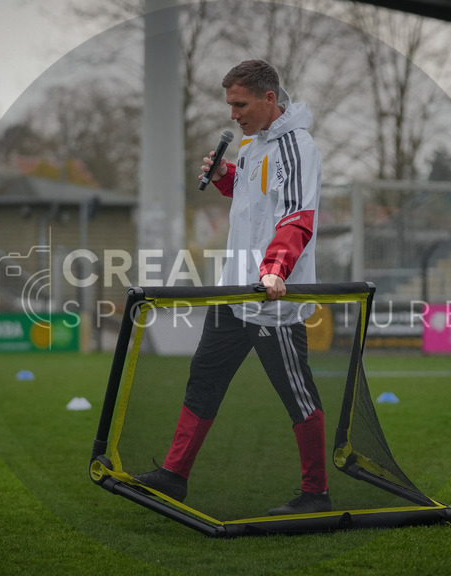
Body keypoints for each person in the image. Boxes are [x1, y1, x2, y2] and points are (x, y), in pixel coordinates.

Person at [134, 60, 330, 516]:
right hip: (235, 290)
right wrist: (227, 178)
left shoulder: (298, 146)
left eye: (239, 104)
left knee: (295, 392)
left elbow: (296, 215)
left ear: (269, 99)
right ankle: (173, 475)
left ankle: (316, 493)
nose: (232, 115)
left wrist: (275, 269)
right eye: (229, 105)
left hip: (271, 295)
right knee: (204, 376)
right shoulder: (253, 145)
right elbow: (255, 202)